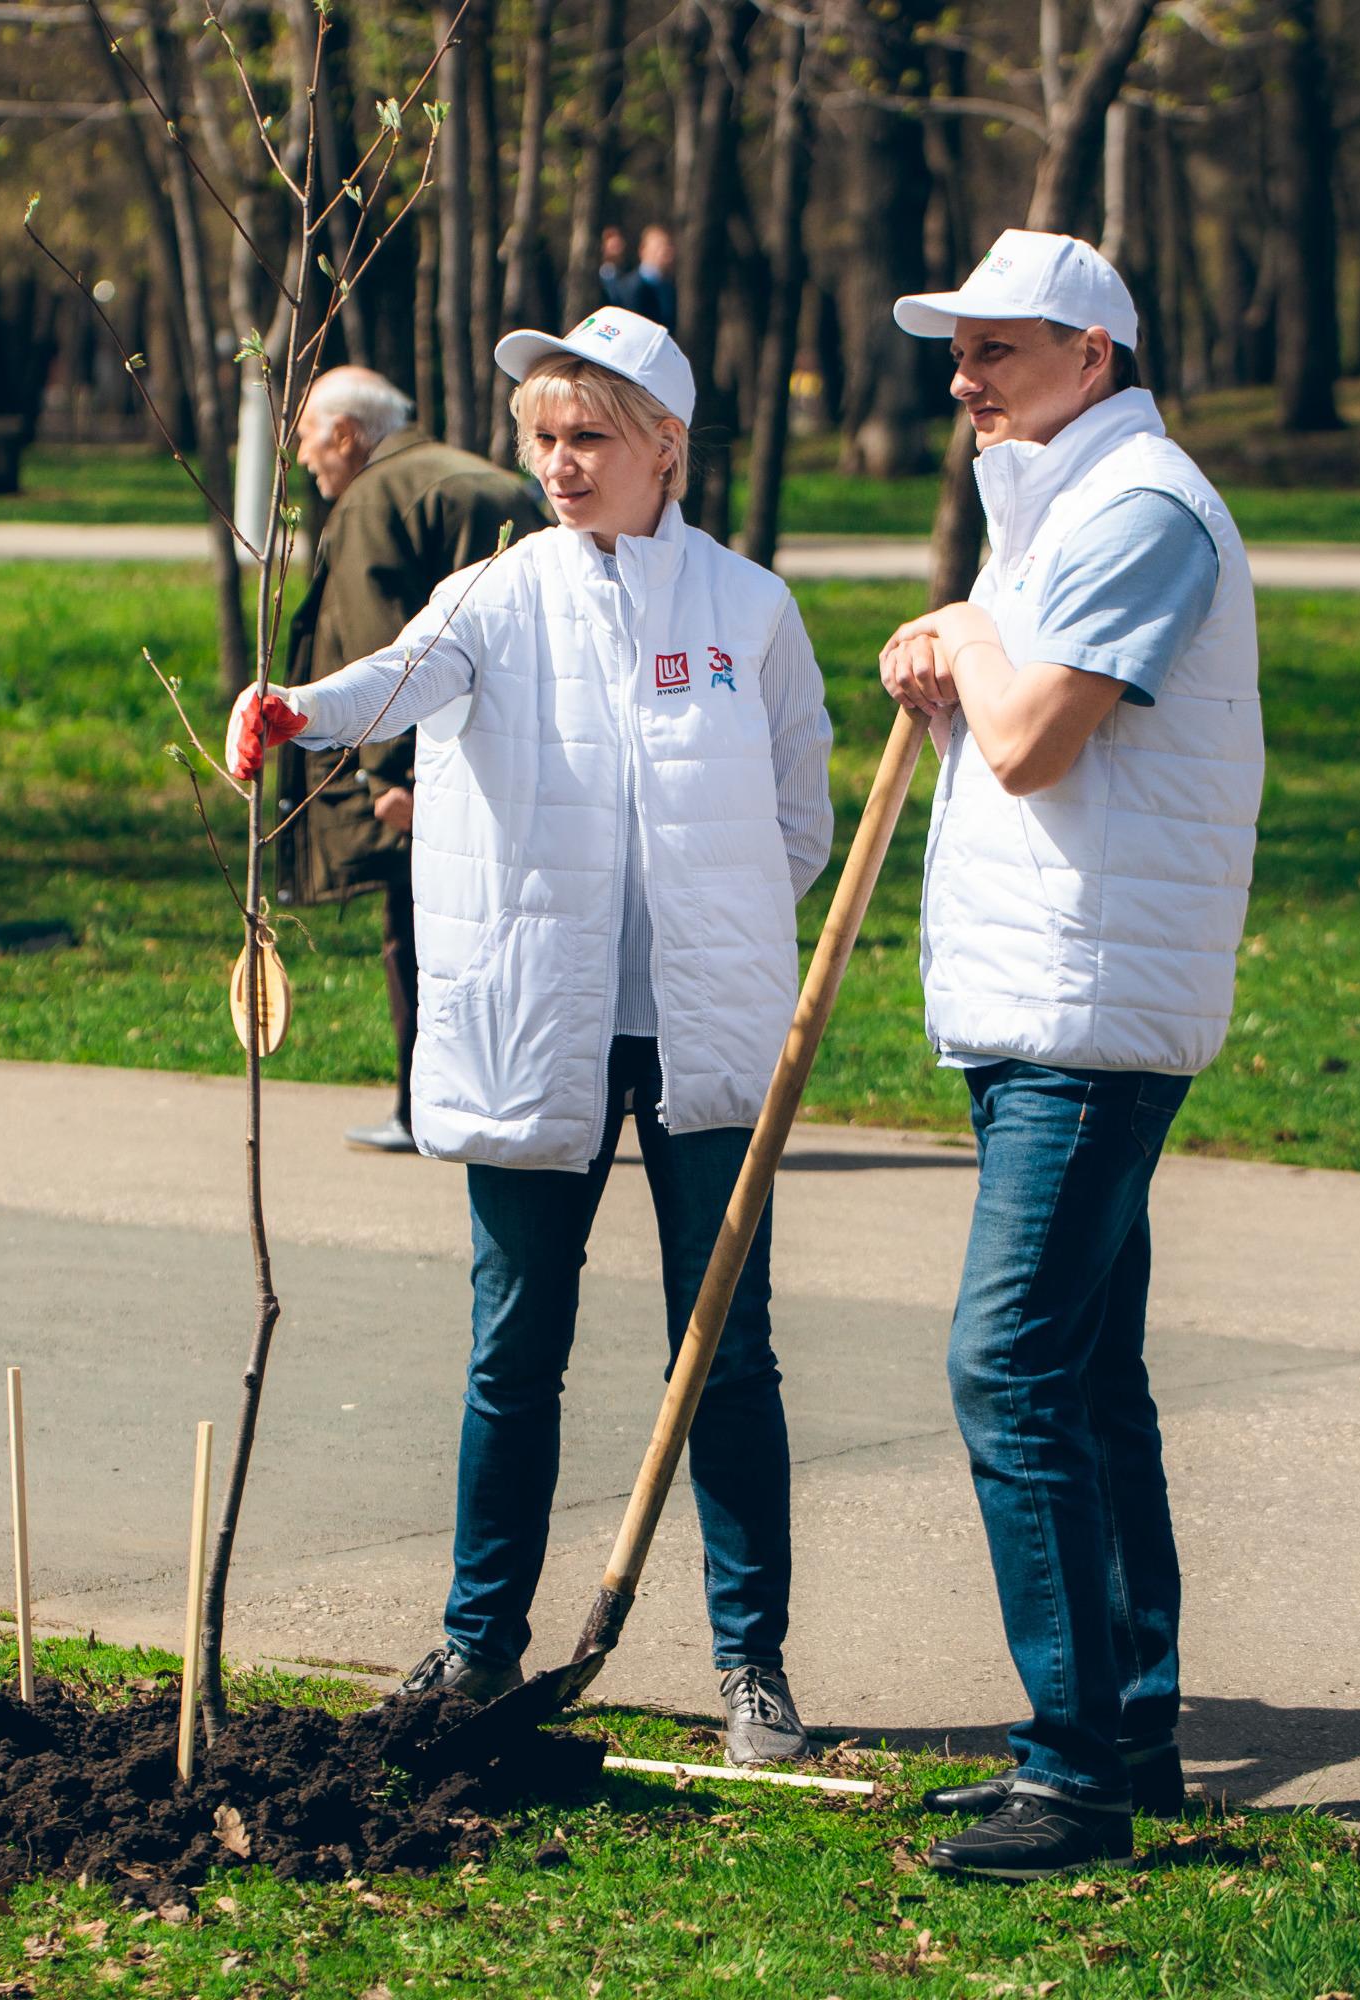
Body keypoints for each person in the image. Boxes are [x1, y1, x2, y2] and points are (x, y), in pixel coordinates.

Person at [226, 307, 834, 1763]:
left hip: (702, 1035)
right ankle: (476, 1640)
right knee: (515, 1347)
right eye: (543, 440)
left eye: (589, 439)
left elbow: (800, 816)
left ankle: (753, 1668)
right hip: (537, 1024)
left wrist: (718, 922)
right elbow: (389, 684)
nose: (558, 466)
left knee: (727, 1356)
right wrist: (293, 708)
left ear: (665, 450)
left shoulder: (748, 612)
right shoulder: (494, 598)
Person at [873, 231, 1264, 1874]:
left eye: (1001, 353)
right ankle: (1129, 1738)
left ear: (1093, 357)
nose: (965, 379)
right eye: (956, 351)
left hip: (1093, 1014)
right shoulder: (1061, 513)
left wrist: (965, 647)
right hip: (1051, 996)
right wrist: (960, 643)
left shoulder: (1141, 508)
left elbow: (1035, 742)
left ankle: (1070, 1775)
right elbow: (1031, 711)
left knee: (1007, 1367)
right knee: (1088, 1378)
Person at [277, 365, 549, 1154]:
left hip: (415, 766)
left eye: (305, 438)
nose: (304, 459)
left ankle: (417, 1105)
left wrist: (384, 776)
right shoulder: (484, 481)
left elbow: (378, 643)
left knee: (415, 931)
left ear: (347, 434)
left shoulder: (373, 497)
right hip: (507, 751)